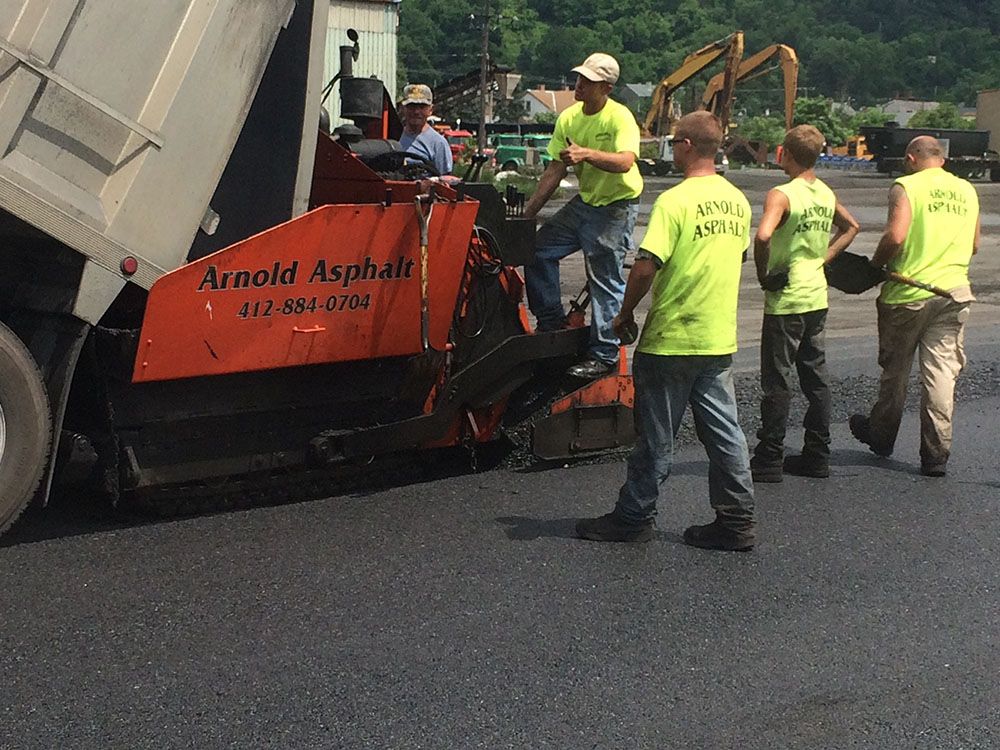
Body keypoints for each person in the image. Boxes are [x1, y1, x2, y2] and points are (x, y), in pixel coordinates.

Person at [575, 111, 756, 551]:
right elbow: (742, 256)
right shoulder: (739, 201)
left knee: (656, 437)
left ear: (689, 146)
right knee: (725, 432)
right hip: (717, 337)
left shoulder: (675, 202)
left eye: (675, 142)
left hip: (672, 337)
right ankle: (736, 520)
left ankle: (634, 515)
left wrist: (623, 314)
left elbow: (644, 266)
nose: (672, 149)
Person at [850, 136, 980, 477]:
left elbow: (895, 236)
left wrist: (875, 266)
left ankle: (881, 435)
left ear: (911, 158)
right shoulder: (967, 190)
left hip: (907, 295)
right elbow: (975, 244)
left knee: (896, 373)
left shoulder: (906, 185)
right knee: (940, 375)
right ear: (942, 159)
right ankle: (935, 453)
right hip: (954, 293)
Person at [522, 53, 643, 379]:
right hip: (587, 202)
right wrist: (527, 215)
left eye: (587, 81)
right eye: (579, 78)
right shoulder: (570, 118)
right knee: (537, 249)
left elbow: (625, 162)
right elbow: (555, 168)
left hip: (617, 205)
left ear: (606, 87)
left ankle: (603, 355)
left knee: (604, 279)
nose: (579, 84)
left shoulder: (619, 117)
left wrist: (586, 153)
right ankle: (551, 324)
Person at [750, 125, 860, 483]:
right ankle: (817, 454)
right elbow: (851, 227)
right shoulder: (824, 193)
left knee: (778, 379)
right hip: (816, 295)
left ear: (785, 153)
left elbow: (764, 234)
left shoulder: (782, 194)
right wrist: (823, 258)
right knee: (815, 377)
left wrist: (764, 273)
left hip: (787, 300)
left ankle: (769, 455)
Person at [397, 84, 453, 176]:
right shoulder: (394, 137)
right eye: (412, 106)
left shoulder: (438, 143)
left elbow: (445, 180)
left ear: (430, 110)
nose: (416, 112)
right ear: (403, 109)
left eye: (422, 107)